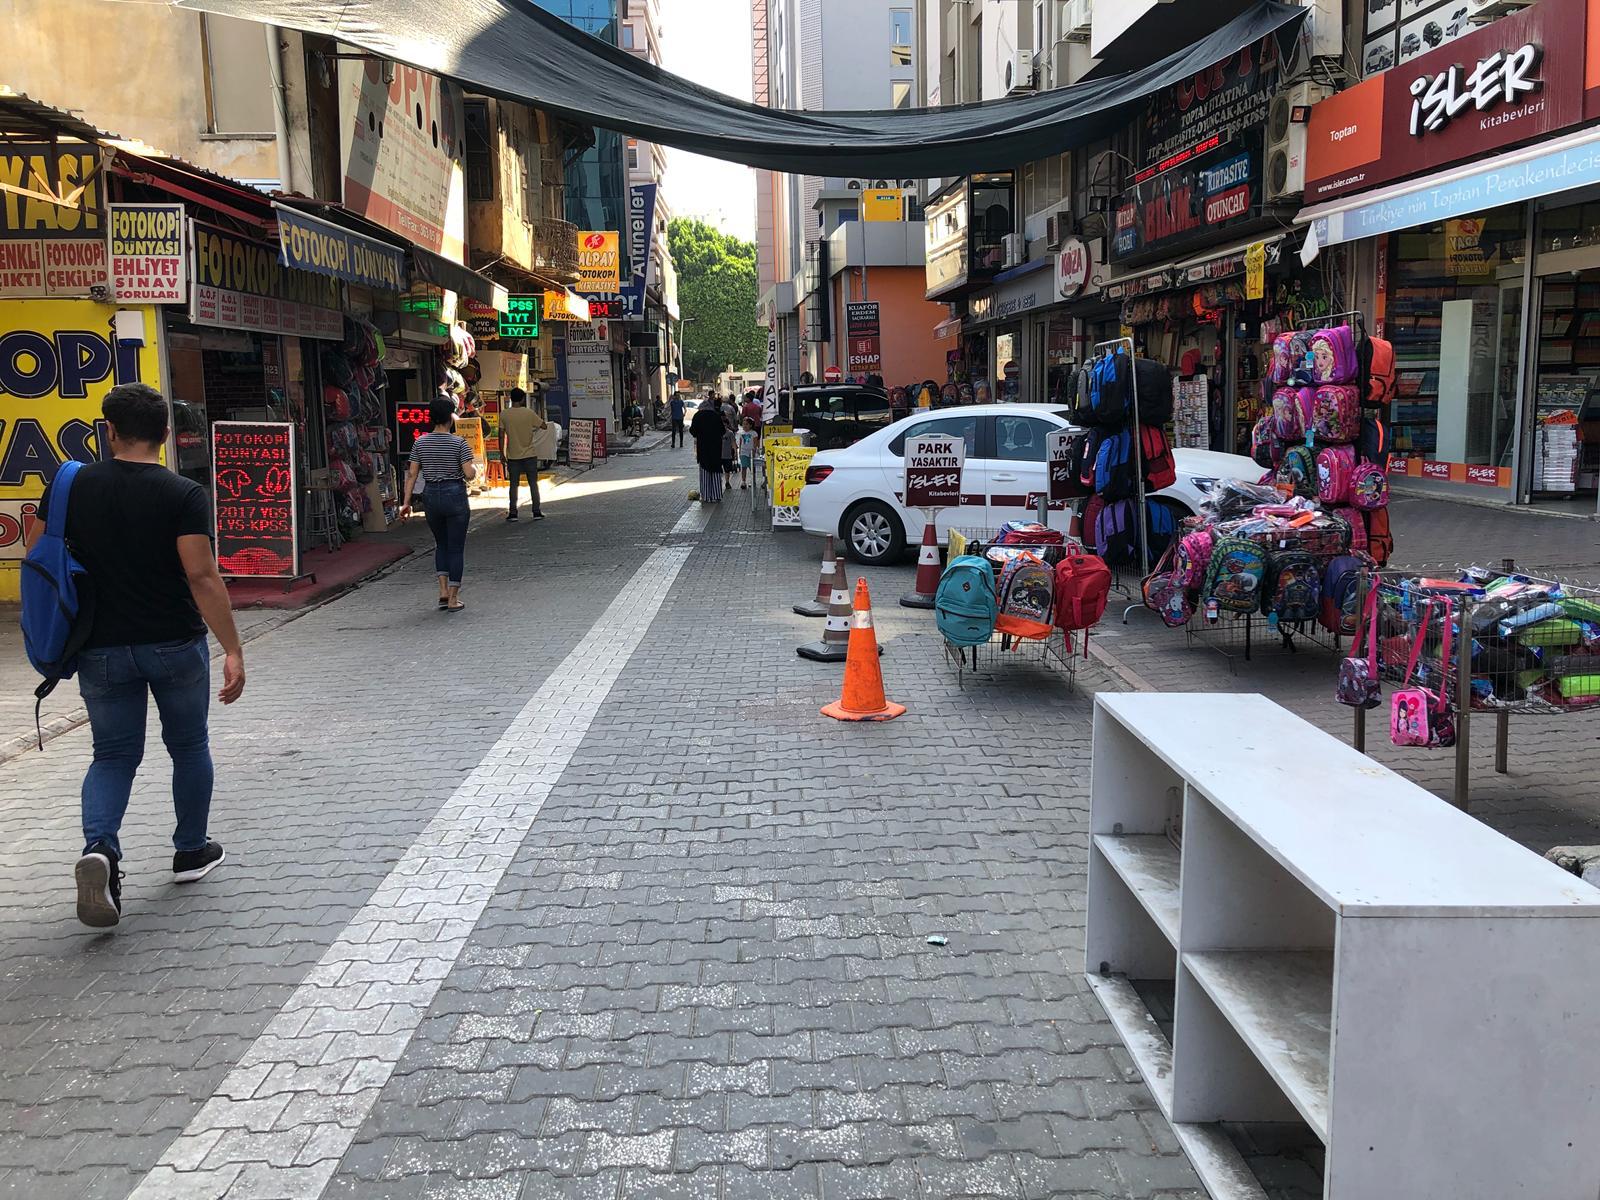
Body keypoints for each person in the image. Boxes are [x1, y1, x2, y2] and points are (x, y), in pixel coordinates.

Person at [27, 383, 245, 929]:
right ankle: (190, 851)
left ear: (109, 431)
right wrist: (232, 648)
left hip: (99, 647)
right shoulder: (183, 494)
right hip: (174, 643)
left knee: (112, 755)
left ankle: (101, 848)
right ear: (166, 435)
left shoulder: (70, 487)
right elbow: (201, 575)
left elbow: (38, 553)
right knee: (189, 746)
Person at [400, 397, 476, 613]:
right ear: (450, 418)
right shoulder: (459, 443)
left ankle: (442, 591)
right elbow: (469, 474)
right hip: (455, 494)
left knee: (441, 544)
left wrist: (405, 503)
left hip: (431, 495)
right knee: (456, 548)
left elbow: (412, 474)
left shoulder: (420, 443)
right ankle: (453, 598)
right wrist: (474, 469)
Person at [499, 387, 545, 523]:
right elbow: (544, 426)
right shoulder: (529, 413)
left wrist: (501, 453)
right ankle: (536, 511)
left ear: (511, 398)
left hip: (513, 456)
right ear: (523, 399)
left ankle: (513, 513)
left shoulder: (504, 414)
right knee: (533, 484)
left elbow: (501, 435)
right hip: (530, 454)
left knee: (514, 485)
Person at [690, 397, 727, 504]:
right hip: (716, 448)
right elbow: (723, 430)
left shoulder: (698, 416)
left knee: (705, 471)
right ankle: (716, 495)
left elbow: (693, 431)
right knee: (716, 471)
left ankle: (706, 496)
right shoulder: (716, 415)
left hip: (703, 448)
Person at [737, 417, 758, 490]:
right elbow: (740, 443)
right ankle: (743, 481)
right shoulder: (741, 433)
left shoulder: (754, 433)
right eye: (743, 424)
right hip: (743, 452)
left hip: (751, 453)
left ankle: (753, 481)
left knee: (752, 467)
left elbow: (755, 443)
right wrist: (740, 452)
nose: (745, 426)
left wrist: (754, 451)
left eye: (746, 424)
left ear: (751, 425)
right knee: (743, 467)